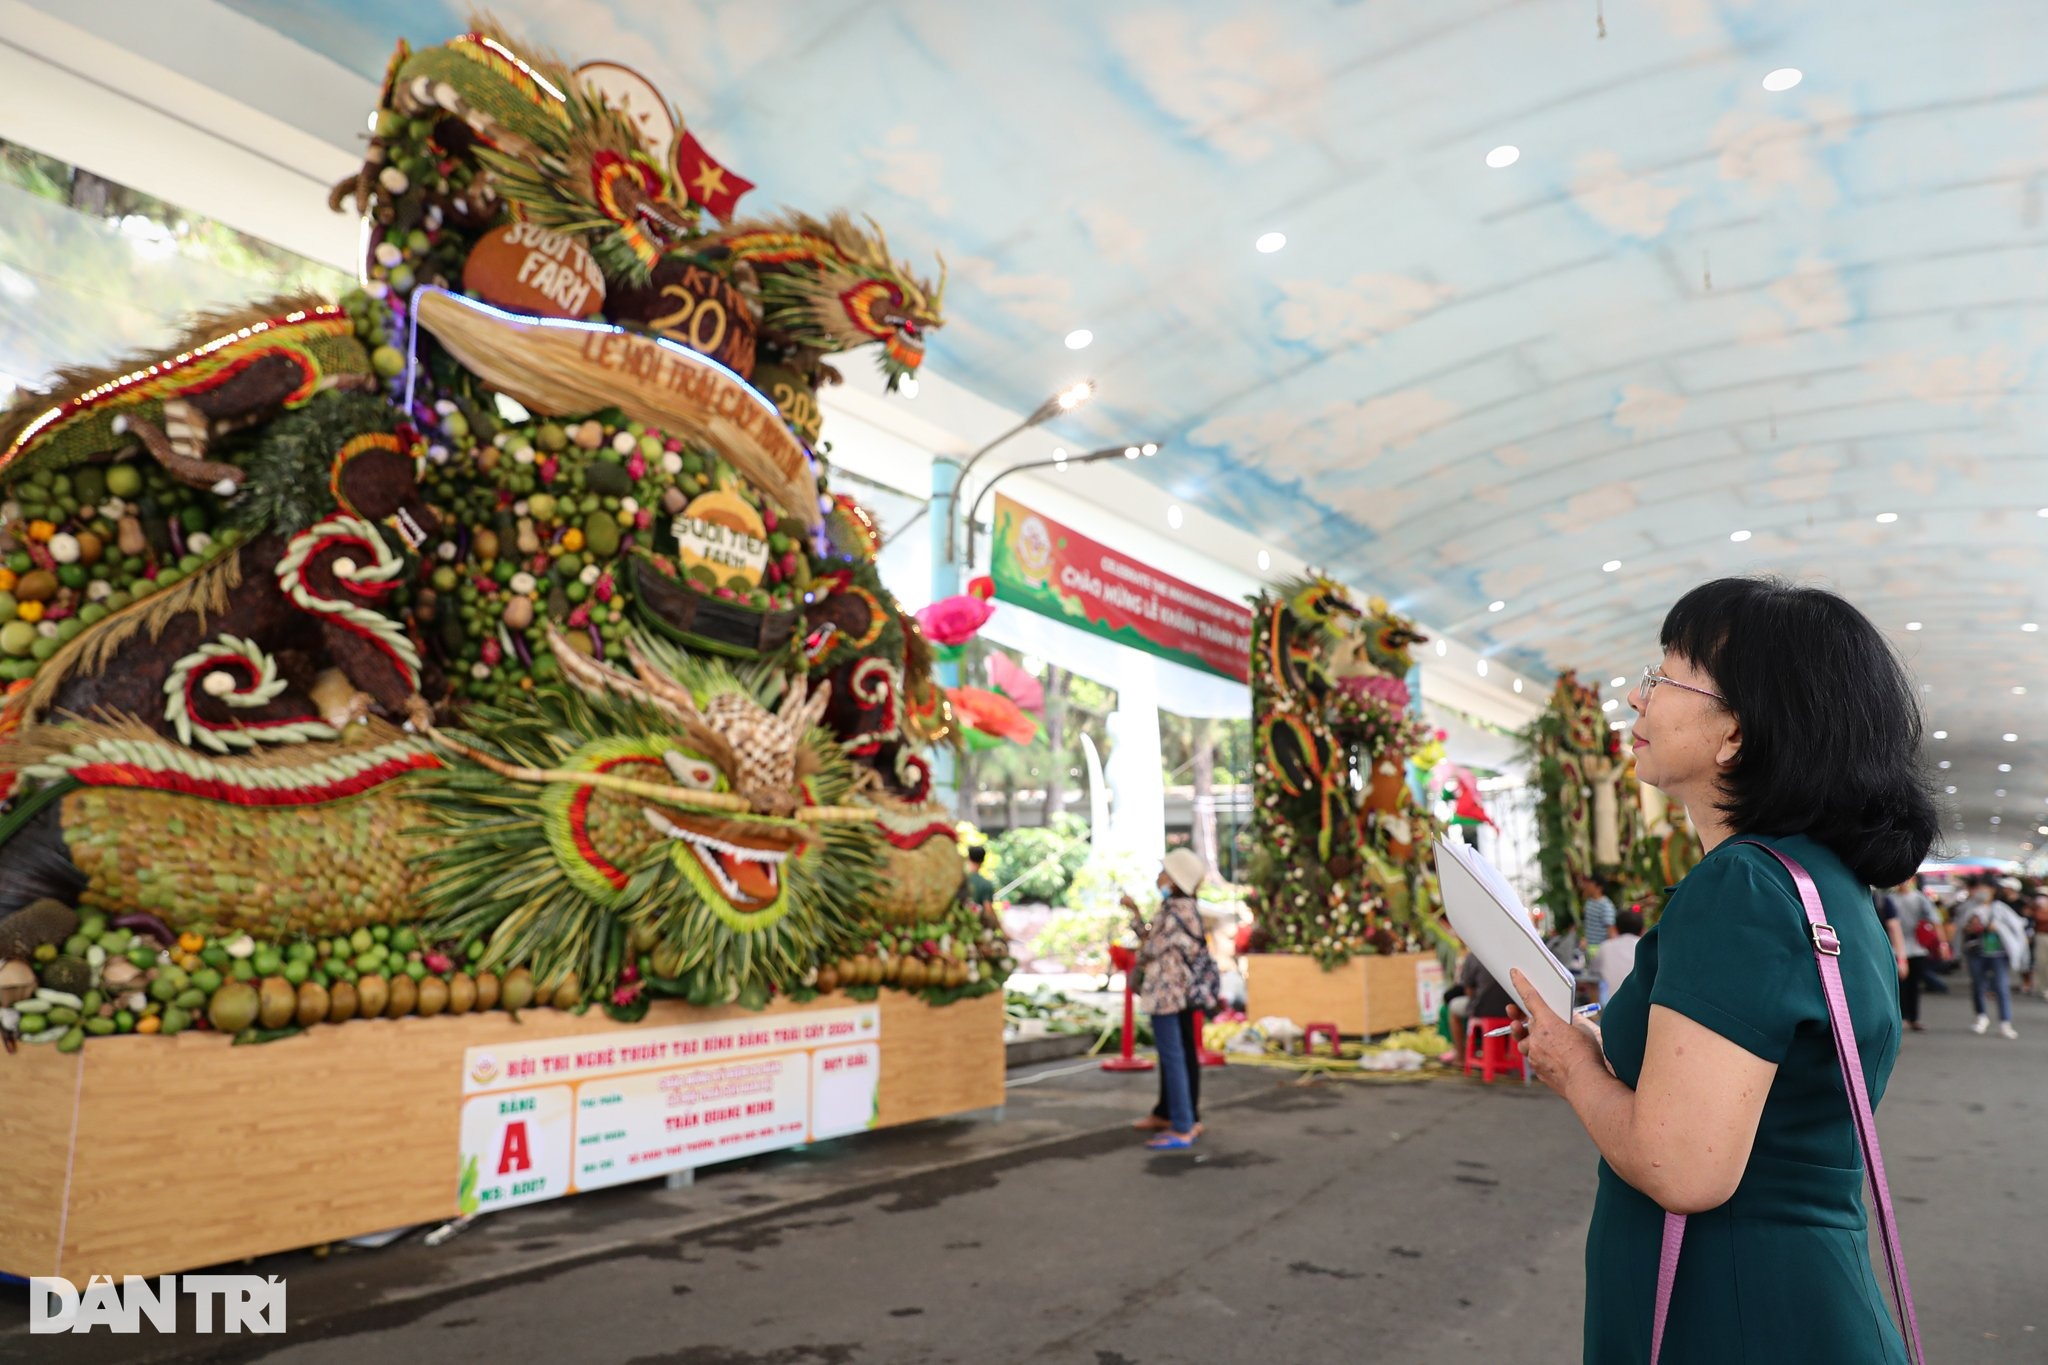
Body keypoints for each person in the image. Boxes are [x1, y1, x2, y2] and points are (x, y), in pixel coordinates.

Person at [1506, 577, 1934, 1364]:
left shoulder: (1740, 887)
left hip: (1732, 1312)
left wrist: (1571, 1063)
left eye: (1664, 676)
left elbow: (1682, 1165)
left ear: (1736, 732)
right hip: (1801, 1301)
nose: (1637, 699)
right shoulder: (1822, 884)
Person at [1122, 848, 1213, 1150]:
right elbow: (1153, 941)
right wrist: (1136, 915)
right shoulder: (1179, 907)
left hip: (1166, 994)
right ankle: (1175, 1117)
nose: (1158, 876)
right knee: (1173, 1057)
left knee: (1174, 1058)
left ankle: (1184, 1126)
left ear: (1174, 880)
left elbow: (1150, 948)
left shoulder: (1177, 911)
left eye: (1164, 871)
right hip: (1174, 993)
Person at [1953, 880, 2029, 1038]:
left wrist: (1998, 928)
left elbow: (2018, 926)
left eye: (1985, 888)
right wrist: (1969, 927)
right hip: (1976, 952)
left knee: (2001, 987)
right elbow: (1959, 927)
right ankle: (1981, 1017)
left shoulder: (2001, 909)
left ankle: (2005, 1022)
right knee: (1978, 986)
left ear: (1993, 890)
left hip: (1998, 954)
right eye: (1979, 887)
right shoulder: (1969, 908)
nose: (1982, 891)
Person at [1889, 878, 1936, 1032]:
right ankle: (1903, 1017)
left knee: (1914, 985)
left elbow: (1933, 919)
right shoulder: (1890, 899)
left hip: (1917, 947)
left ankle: (1914, 1018)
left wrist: (1941, 943)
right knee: (1900, 986)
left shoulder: (1920, 898)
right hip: (1897, 946)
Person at [1597, 909, 1643, 1004]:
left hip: (1610, 1005)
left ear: (1616, 928)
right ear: (1642, 930)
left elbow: (1593, 975)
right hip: (1641, 1006)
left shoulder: (1605, 947)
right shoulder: (1646, 946)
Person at [1579, 873, 1618, 966]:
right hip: (1588, 949)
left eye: (1589, 884)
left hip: (1600, 950)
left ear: (1599, 887)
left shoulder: (1606, 906)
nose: (1586, 886)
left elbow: (1611, 932)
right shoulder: (1589, 903)